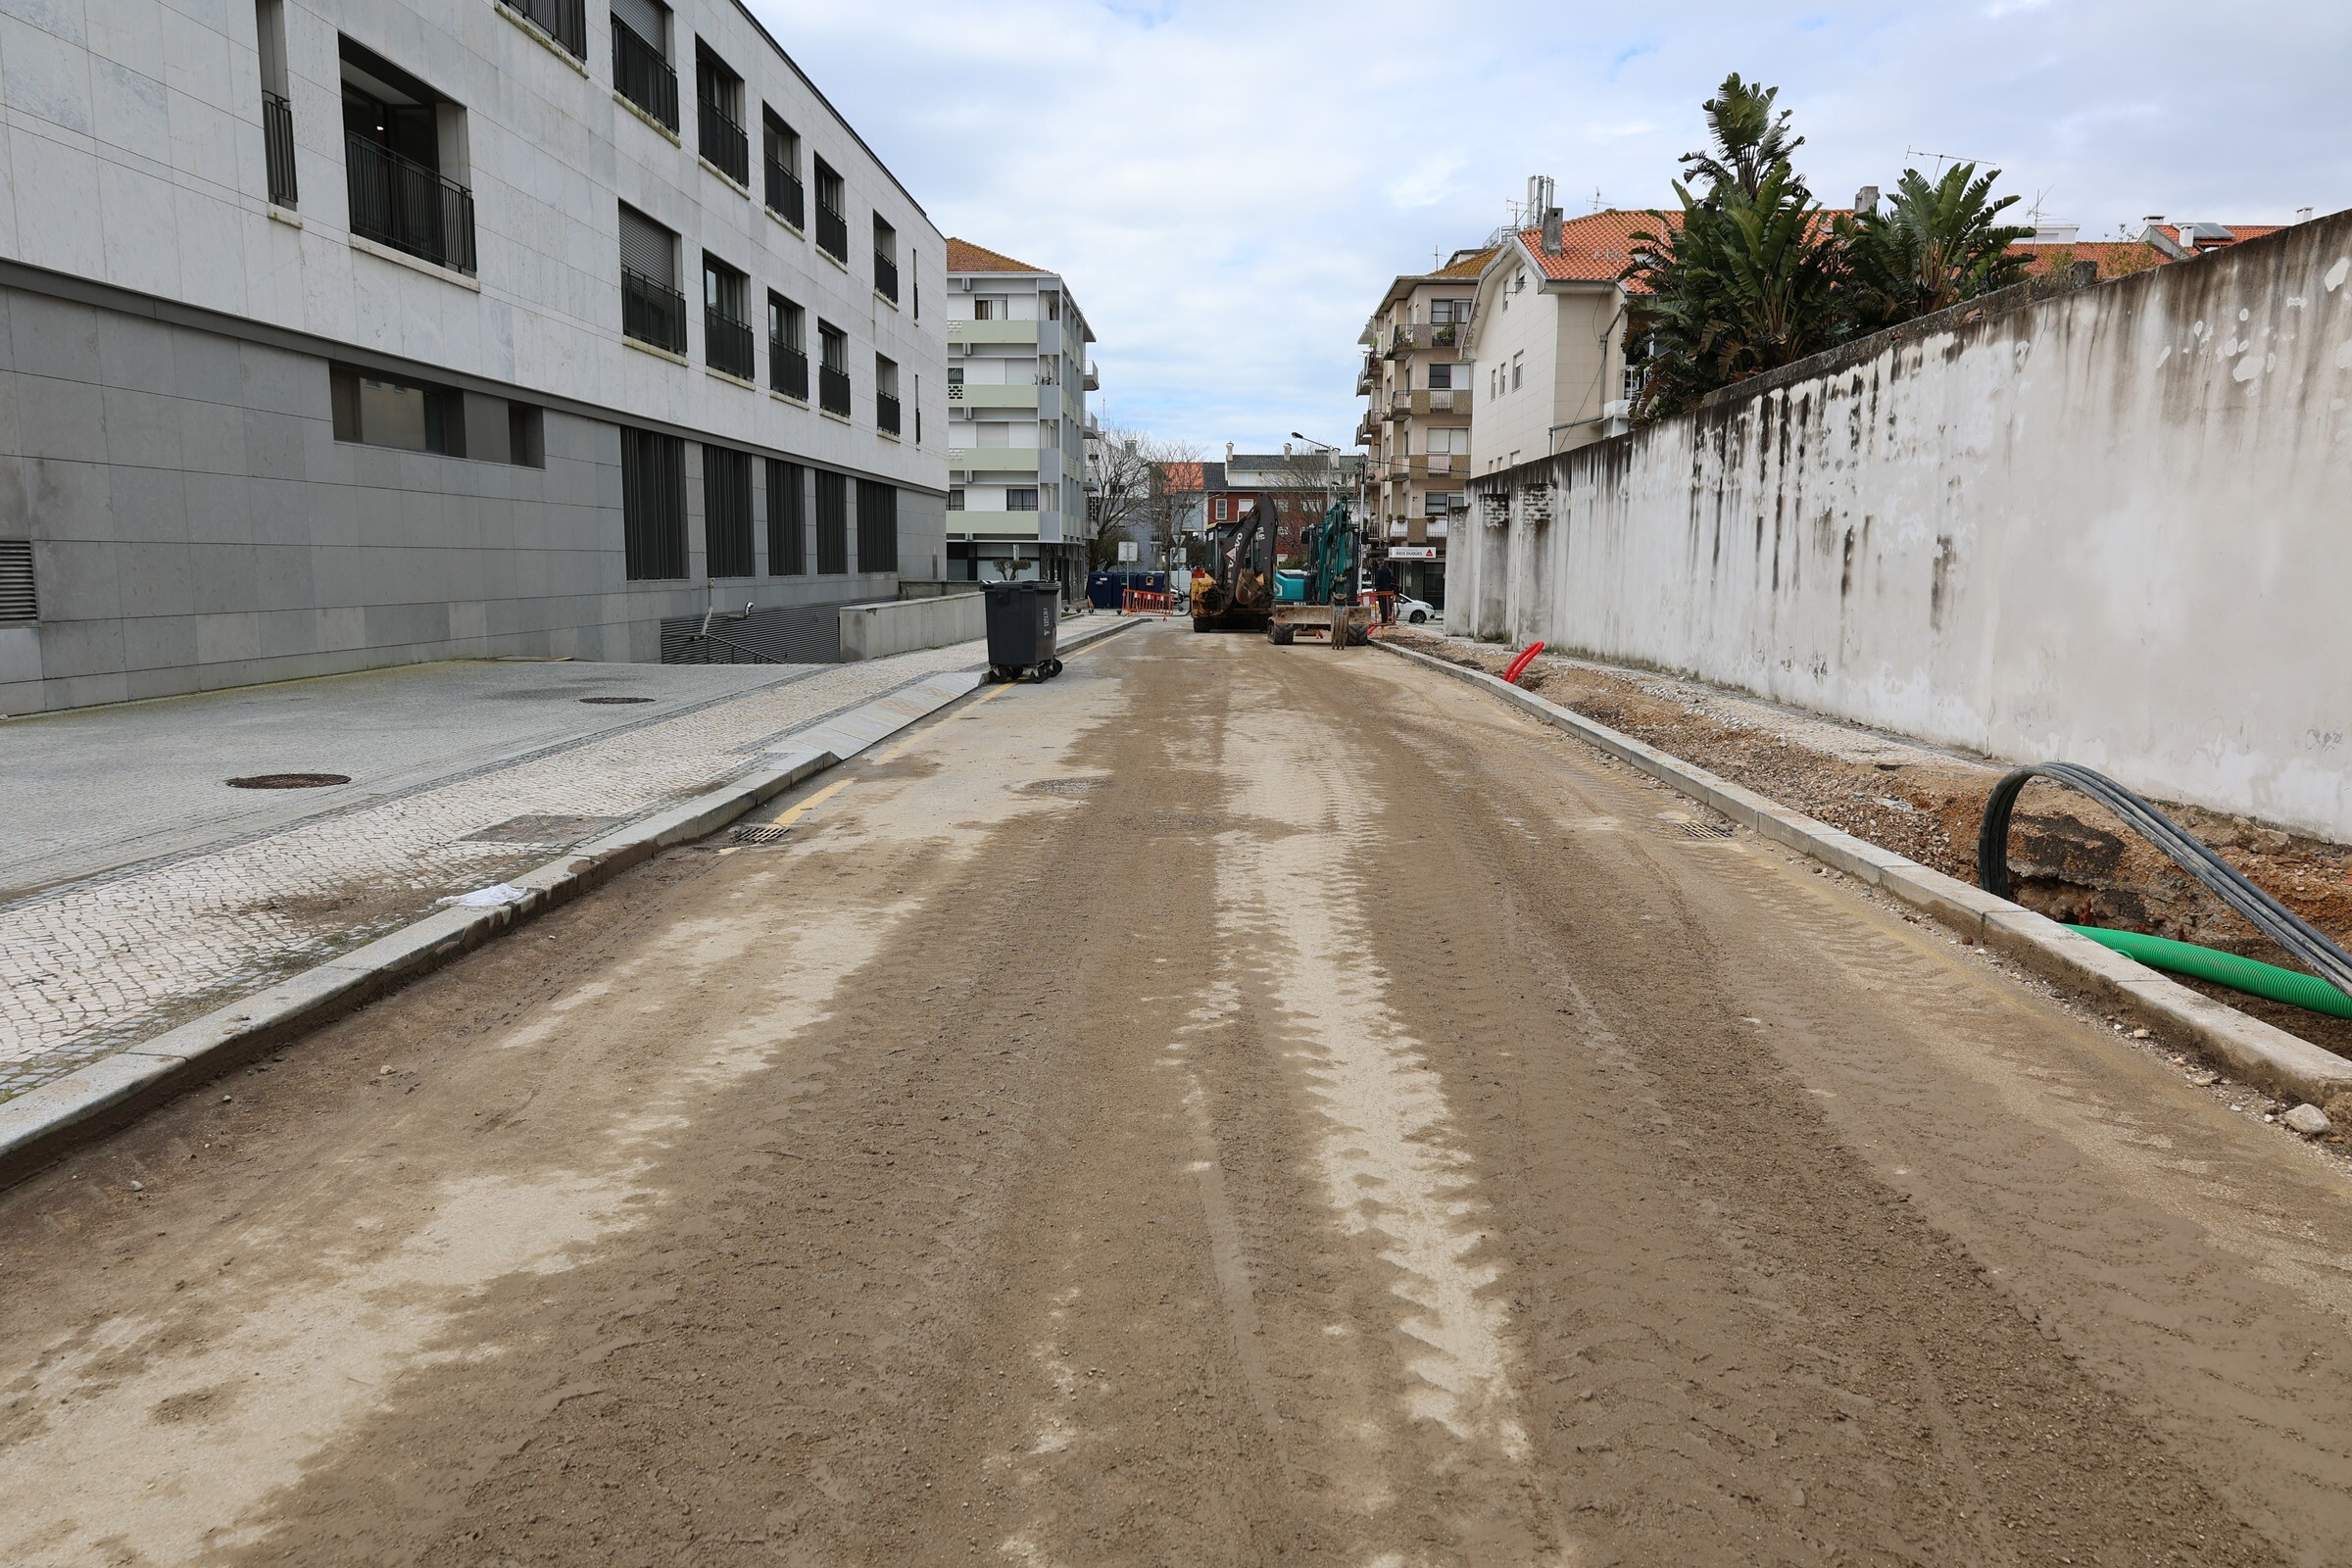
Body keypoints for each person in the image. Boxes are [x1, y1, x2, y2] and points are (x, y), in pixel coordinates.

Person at [1373, 560, 1397, 625]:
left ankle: (1384, 619)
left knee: (1382, 605)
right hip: (1387, 589)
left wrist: (1377, 587)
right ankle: (1388, 617)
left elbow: (1377, 581)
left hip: (1381, 590)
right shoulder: (1388, 570)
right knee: (1387, 604)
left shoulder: (1379, 571)